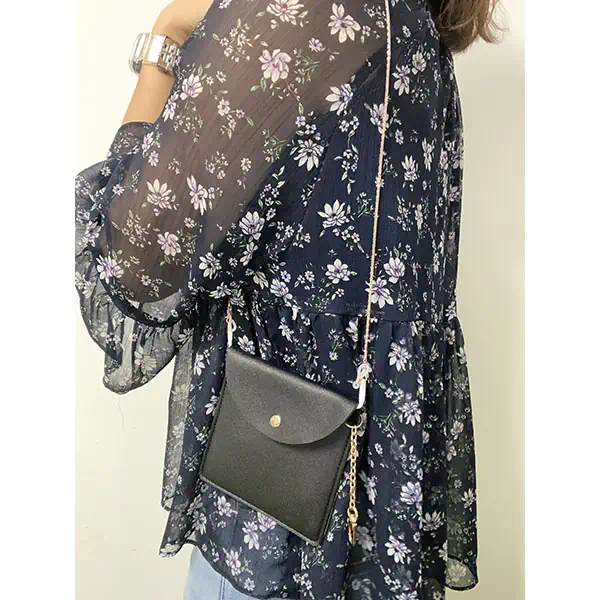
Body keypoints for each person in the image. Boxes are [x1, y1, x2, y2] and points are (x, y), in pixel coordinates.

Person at [75, 0, 500, 598]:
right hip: (383, 516)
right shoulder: (414, 33)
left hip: (270, 524)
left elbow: (132, 263)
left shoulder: (294, 15)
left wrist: (165, 38)